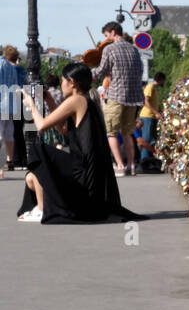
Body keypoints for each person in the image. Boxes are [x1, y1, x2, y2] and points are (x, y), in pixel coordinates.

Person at [17, 62, 144, 224]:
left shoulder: (76, 100)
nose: (61, 85)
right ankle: (41, 207)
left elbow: (41, 126)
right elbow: (63, 129)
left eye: (63, 81)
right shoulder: (86, 100)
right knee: (32, 176)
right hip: (89, 172)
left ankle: (42, 209)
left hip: (83, 174)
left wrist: (31, 105)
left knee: (37, 148)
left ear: (72, 83)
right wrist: (49, 101)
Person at [92, 21, 144, 177]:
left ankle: (120, 165)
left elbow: (101, 71)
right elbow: (140, 70)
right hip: (133, 97)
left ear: (113, 32)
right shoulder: (134, 50)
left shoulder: (110, 48)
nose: (106, 39)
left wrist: (88, 72)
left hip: (116, 96)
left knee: (112, 132)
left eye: (107, 35)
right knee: (128, 133)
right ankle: (131, 165)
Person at [3, 46, 27, 169]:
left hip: (8, 102)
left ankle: (15, 159)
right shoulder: (21, 69)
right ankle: (21, 159)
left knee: (10, 133)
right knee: (17, 132)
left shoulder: (7, 68)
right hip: (19, 102)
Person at [139, 70, 166, 167]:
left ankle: (149, 161)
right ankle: (144, 161)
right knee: (146, 139)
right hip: (147, 116)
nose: (164, 83)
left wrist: (160, 112)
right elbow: (146, 102)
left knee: (152, 139)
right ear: (160, 80)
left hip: (152, 117)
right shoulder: (150, 87)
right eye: (163, 81)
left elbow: (154, 103)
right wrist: (155, 112)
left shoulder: (155, 88)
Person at [0, 50, 18, 178]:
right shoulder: (11, 67)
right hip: (11, 105)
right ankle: (9, 160)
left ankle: (0, 168)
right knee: (8, 134)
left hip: (1, 103)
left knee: (0, 135)